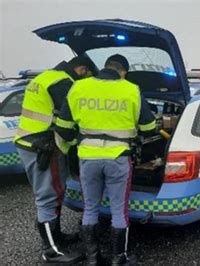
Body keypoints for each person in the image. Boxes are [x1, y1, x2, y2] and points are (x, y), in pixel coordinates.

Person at [55, 54, 157, 265]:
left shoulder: (79, 88)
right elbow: (149, 128)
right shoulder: (131, 89)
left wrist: (79, 142)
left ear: (105, 67)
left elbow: (63, 128)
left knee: (90, 207)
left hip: (88, 158)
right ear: (123, 71)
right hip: (118, 158)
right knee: (119, 210)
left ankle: (93, 258)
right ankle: (119, 258)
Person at [14, 56, 95, 264]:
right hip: (43, 145)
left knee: (53, 193)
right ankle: (51, 251)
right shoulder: (62, 82)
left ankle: (57, 238)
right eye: (87, 76)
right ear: (82, 69)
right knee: (48, 196)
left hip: (30, 141)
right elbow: (70, 118)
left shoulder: (45, 77)